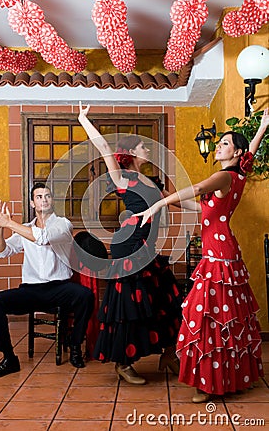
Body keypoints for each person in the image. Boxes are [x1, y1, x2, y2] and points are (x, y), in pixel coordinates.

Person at [135, 108, 269, 401]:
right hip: (226, 253)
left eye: (224, 144)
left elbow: (196, 189)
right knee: (231, 319)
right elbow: (203, 208)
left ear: (235, 153)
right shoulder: (238, 174)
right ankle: (233, 377)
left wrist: (158, 206)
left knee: (208, 318)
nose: (219, 146)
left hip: (218, 258)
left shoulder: (223, 176)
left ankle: (209, 384)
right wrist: (262, 127)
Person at [78, 102, 186, 385]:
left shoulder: (152, 181)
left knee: (166, 300)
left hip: (148, 249)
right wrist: (83, 119)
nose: (147, 149)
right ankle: (123, 364)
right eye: (142, 146)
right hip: (129, 247)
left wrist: (211, 203)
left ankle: (169, 354)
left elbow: (179, 202)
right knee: (130, 305)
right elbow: (103, 147)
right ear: (131, 153)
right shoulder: (122, 177)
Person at [0, 182, 94, 379]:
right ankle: (9, 358)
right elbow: (2, 252)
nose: (44, 199)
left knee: (85, 296)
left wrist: (9, 223)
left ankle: (75, 345)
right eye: (39, 196)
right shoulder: (24, 229)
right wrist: (0, 228)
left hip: (60, 288)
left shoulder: (62, 224)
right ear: (32, 203)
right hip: (31, 290)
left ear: (52, 201)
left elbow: (42, 238)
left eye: (47, 196)